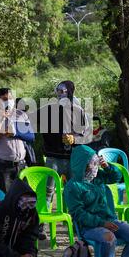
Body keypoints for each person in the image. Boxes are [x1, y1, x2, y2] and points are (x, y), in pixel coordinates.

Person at [64, 145, 129, 257]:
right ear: (83, 165)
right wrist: (101, 223)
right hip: (88, 227)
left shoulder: (97, 177)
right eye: (92, 163)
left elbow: (116, 177)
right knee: (109, 238)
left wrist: (107, 167)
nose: (95, 167)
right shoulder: (73, 186)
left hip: (110, 220)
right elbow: (78, 214)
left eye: (96, 163)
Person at [34, 80, 90, 240]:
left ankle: (77, 224)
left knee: (75, 192)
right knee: (47, 193)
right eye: (58, 90)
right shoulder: (48, 109)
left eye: (63, 90)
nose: (60, 93)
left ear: (71, 91)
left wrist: (75, 139)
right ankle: (40, 226)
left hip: (73, 159)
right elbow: (29, 118)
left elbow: (87, 136)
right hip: (53, 158)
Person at [0, 88, 32, 194]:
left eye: (10, 98)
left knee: (23, 198)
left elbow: (31, 137)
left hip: (21, 165)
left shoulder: (21, 115)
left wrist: (16, 133)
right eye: (5, 99)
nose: (8, 101)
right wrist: (0, 121)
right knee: (3, 198)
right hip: (3, 167)